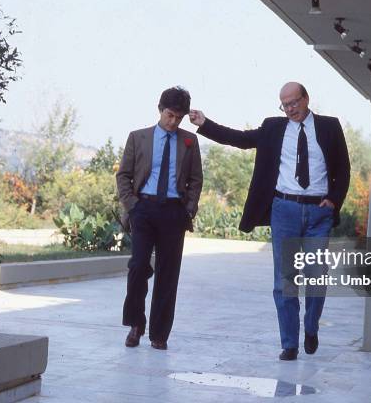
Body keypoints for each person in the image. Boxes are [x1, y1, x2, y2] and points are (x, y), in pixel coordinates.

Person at [189, 82, 350, 360]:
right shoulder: (274, 127)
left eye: (294, 103)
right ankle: (289, 343)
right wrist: (205, 124)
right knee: (285, 280)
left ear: (306, 99)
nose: (290, 109)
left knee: (316, 276)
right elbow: (239, 139)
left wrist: (333, 199)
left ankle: (310, 327)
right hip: (284, 209)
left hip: (318, 212)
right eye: (284, 105)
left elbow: (343, 169)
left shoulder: (329, 126)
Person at [116, 86, 203, 350]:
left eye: (179, 117)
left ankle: (159, 334)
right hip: (143, 208)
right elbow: (123, 175)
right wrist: (132, 205)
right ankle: (135, 324)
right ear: (160, 109)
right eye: (169, 115)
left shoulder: (189, 141)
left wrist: (188, 208)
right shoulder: (138, 137)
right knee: (138, 266)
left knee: (168, 274)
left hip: (174, 212)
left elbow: (196, 179)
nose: (173, 121)